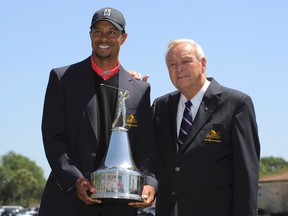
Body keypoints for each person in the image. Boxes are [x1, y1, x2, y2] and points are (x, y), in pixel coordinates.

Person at [38, 7, 157, 216]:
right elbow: (53, 138)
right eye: (98, 31)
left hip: (121, 206)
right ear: (90, 35)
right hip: (68, 202)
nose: (104, 37)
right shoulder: (62, 79)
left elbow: (145, 148)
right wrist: (75, 179)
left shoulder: (139, 89)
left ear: (123, 38)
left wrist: (149, 183)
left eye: (112, 32)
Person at [151, 39, 260, 216]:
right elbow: (144, 150)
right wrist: (133, 89)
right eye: (172, 64)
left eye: (186, 61)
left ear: (203, 64)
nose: (179, 68)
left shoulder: (236, 104)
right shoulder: (160, 107)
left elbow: (247, 174)